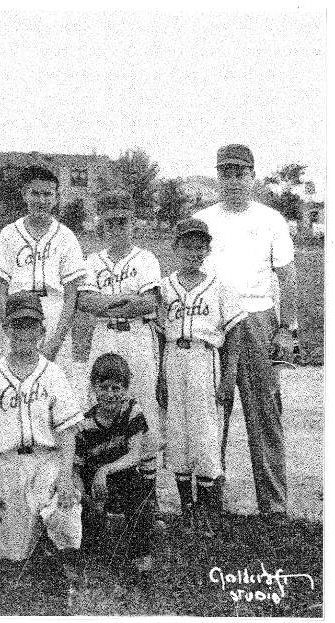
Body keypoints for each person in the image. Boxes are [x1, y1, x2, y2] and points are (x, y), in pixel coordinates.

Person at [194, 144, 297, 518]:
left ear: (252, 176)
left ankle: (273, 507)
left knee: (264, 412)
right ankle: (210, 502)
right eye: (226, 173)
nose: (233, 180)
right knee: (212, 411)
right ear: (218, 177)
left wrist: (288, 327)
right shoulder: (203, 219)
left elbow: (286, 275)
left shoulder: (270, 219)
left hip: (256, 318)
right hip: (213, 319)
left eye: (240, 173)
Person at [0, 291, 83, 567]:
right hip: (8, 463)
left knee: (66, 516)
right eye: (18, 325)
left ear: (42, 330)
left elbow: (67, 432)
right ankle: (33, 533)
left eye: (31, 325)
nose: (24, 332)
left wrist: (66, 477)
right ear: (6, 329)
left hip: (47, 460)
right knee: (14, 553)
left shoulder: (53, 373)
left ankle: (61, 557)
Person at [157, 218, 246, 536]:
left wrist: (230, 374)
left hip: (203, 358)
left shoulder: (219, 285)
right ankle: (187, 511)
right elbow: (157, 335)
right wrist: (160, 376)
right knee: (177, 434)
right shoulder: (164, 287)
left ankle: (208, 514)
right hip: (172, 357)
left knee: (205, 434)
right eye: (187, 245)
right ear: (175, 247)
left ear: (208, 249)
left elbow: (234, 332)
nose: (193, 251)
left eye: (200, 246)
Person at [75, 192, 162, 508]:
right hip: (104, 336)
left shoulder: (145, 258)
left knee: (142, 407)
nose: (116, 227)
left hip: (136, 338)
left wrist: (107, 303)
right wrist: (125, 301)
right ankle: (103, 490)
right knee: (101, 402)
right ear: (102, 225)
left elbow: (149, 302)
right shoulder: (92, 260)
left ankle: (146, 500)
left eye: (122, 221)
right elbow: (85, 302)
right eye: (110, 222)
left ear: (132, 223)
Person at [0, 165, 87, 378]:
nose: (41, 200)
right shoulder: (8, 234)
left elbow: (71, 296)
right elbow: (0, 290)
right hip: (17, 311)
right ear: (24, 194)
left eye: (47, 194)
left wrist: (56, 339)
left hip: (53, 311)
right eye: (35, 193)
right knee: (14, 379)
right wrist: (8, 328)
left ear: (56, 197)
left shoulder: (66, 237)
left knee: (53, 382)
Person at [74, 353, 155, 572]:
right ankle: (85, 540)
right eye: (104, 387)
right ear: (94, 388)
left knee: (139, 489)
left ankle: (141, 553)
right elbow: (76, 468)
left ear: (126, 389)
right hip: (93, 483)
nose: (110, 394)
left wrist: (105, 470)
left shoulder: (131, 410)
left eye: (116, 388)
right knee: (83, 523)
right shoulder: (84, 423)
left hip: (120, 472)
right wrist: (87, 499)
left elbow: (135, 454)